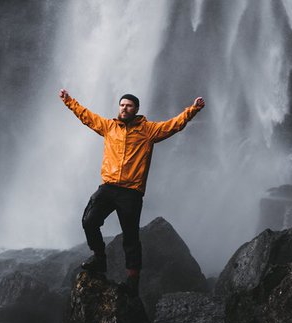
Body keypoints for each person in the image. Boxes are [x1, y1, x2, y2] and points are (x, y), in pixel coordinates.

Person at [59, 88, 205, 296]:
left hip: (131, 192)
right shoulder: (109, 127)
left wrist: (193, 109)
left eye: (128, 106)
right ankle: (100, 258)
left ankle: (132, 280)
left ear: (136, 109)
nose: (124, 108)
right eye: (122, 105)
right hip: (108, 187)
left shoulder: (148, 130)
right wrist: (68, 101)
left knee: (130, 237)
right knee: (89, 220)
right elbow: (86, 116)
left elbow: (174, 125)